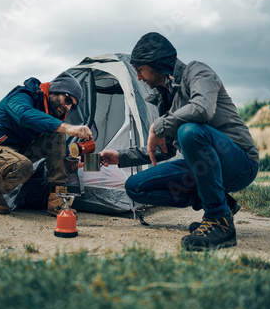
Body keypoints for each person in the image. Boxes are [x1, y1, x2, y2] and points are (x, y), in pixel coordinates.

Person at [100, 32, 259, 251]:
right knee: (135, 187)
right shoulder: (165, 96)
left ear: (155, 63)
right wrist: (121, 157)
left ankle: (218, 219)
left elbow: (202, 109)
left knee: (190, 130)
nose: (138, 77)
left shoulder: (198, 72)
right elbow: (165, 150)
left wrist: (159, 125)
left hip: (239, 162)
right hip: (202, 167)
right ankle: (223, 202)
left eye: (139, 70)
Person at [0, 72, 92, 216]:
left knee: (56, 132)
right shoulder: (22, 95)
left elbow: (56, 146)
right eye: (68, 99)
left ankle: (57, 199)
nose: (68, 107)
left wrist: (70, 156)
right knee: (22, 167)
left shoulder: (51, 113)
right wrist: (67, 127)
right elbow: (23, 115)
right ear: (54, 91)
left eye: (73, 105)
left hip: (18, 151)